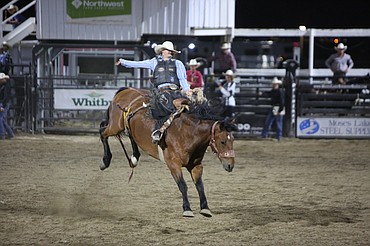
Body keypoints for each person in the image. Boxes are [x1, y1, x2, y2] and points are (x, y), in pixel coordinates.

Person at [116, 41, 191, 143]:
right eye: (168, 50)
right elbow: (138, 64)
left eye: (171, 51)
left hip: (176, 91)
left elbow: (182, 79)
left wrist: (187, 91)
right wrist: (123, 62)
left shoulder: (178, 63)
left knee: (190, 107)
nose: (170, 52)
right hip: (162, 92)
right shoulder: (154, 62)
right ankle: (158, 130)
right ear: (162, 51)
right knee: (162, 107)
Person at [261, 77, 285, 141]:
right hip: (275, 107)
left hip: (277, 107)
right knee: (270, 122)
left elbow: (282, 102)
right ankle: (266, 135)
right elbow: (269, 93)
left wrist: (280, 110)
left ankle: (278, 136)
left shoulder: (279, 92)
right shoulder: (275, 91)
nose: (273, 85)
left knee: (277, 123)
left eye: (275, 84)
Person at [0, 73, 14, 140]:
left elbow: (6, 97)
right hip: (4, 103)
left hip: (4, 103)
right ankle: (10, 134)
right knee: (2, 119)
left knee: (1, 119)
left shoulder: (5, 87)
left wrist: (2, 105)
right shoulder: (5, 85)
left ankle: (2, 134)